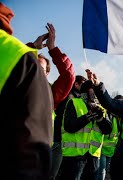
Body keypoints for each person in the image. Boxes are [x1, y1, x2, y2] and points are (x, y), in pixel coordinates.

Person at [0, 2, 53, 179]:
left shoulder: (23, 65)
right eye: (37, 64)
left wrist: (52, 50)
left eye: (43, 68)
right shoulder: (20, 61)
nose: (39, 67)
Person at [26, 23, 75, 180]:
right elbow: (10, 59)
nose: (36, 70)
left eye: (41, 67)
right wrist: (33, 47)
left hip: (41, 155)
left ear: (47, 73)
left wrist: (52, 49)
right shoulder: (15, 84)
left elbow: (68, 75)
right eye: (32, 65)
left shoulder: (50, 93)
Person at [59, 80, 112, 180]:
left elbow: (108, 130)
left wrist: (101, 119)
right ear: (85, 92)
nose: (97, 95)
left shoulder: (101, 108)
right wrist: (87, 117)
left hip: (93, 158)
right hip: (74, 157)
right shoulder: (74, 103)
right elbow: (69, 126)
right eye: (94, 91)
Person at [53, 75, 87, 179]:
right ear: (76, 84)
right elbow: (64, 118)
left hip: (66, 142)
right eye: (83, 84)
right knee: (54, 172)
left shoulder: (78, 98)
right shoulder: (69, 97)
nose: (85, 87)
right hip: (61, 139)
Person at [96, 94, 123, 180]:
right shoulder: (107, 114)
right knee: (101, 171)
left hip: (111, 150)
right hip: (101, 149)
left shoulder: (120, 118)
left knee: (104, 170)